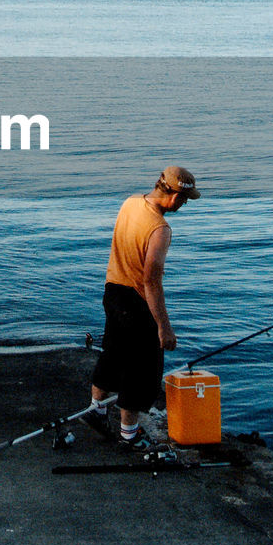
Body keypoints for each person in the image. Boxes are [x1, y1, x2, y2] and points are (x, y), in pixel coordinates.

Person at [86, 166, 200, 450]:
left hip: (112, 291)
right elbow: (151, 281)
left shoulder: (131, 202)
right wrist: (164, 327)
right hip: (137, 302)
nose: (184, 205)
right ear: (173, 195)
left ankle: (96, 412)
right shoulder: (160, 229)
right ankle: (129, 435)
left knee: (112, 354)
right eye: (184, 200)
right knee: (141, 370)